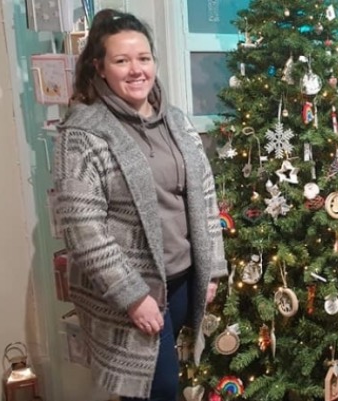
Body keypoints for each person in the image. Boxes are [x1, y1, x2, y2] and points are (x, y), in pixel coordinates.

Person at [53, 9, 227, 401]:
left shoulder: (176, 121)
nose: (136, 70)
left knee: (160, 385)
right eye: (121, 60)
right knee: (156, 389)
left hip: (183, 279)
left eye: (143, 58)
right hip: (129, 291)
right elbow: (82, 230)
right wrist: (132, 297)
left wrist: (211, 270)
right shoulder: (83, 133)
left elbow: (205, 196)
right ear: (99, 68)